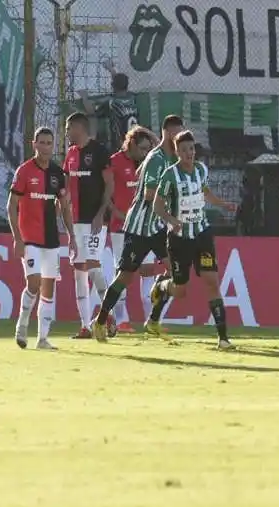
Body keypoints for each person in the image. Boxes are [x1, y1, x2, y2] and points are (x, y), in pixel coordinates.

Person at [138, 130, 236, 349]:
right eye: (183, 150)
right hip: (179, 239)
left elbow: (205, 192)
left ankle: (223, 338)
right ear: (177, 152)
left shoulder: (201, 170)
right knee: (180, 290)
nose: (189, 153)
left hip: (202, 234)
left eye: (191, 149)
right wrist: (171, 220)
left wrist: (223, 204)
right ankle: (163, 286)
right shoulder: (169, 175)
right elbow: (157, 205)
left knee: (212, 281)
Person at [93, 115, 184, 340]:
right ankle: (101, 320)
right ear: (168, 133)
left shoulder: (172, 159)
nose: (180, 138)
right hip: (139, 227)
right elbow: (150, 195)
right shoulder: (155, 159)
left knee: (177, 273)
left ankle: (153, 319)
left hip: (157, 226)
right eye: (177, 133)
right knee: (124, 277)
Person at [6, 127, 77, 350]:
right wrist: (17, 238)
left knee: (48, 288)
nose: (46, 147)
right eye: (42, 142)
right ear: (34, 144)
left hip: (51, 239)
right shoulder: (24, 171)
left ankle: (42, 339)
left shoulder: (57, 174)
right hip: (29, 238)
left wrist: (72, 235)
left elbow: (64, 207)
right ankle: (22, 326)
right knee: (34, 282)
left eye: (49, 143)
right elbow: (11, 205)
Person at [63, 112, 114, 339]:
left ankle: (108, 315)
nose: (66, 132)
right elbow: (66, 187)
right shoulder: (71, 154)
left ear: (79, 128)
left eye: (68, 128)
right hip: (76, 221)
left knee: (93, 265)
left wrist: (101, 213)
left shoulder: (99, 151)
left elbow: (110, 185)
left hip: (95, 221)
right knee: (79, 272)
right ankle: (85, 326)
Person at [106, 125, 156, 333]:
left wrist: (147, 133)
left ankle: (152, 320)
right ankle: (121, 319)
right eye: (142, 148)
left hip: (145, 227)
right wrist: (118, 214)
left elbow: (161, 147)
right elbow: (106, 195)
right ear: (131, 144)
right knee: (123, 272)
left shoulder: (148, 162)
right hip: (121, 228)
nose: (145, 153)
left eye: (147, 149)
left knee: (148, 270)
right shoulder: (114, 161)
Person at [81, 65, 139, 153]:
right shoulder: (132, 97)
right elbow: (119, 84)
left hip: (120, 146)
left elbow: (91, 112)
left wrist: (84, 97)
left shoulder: (112, 103)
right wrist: (111, 70)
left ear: (112, 86)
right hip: (136, 143)